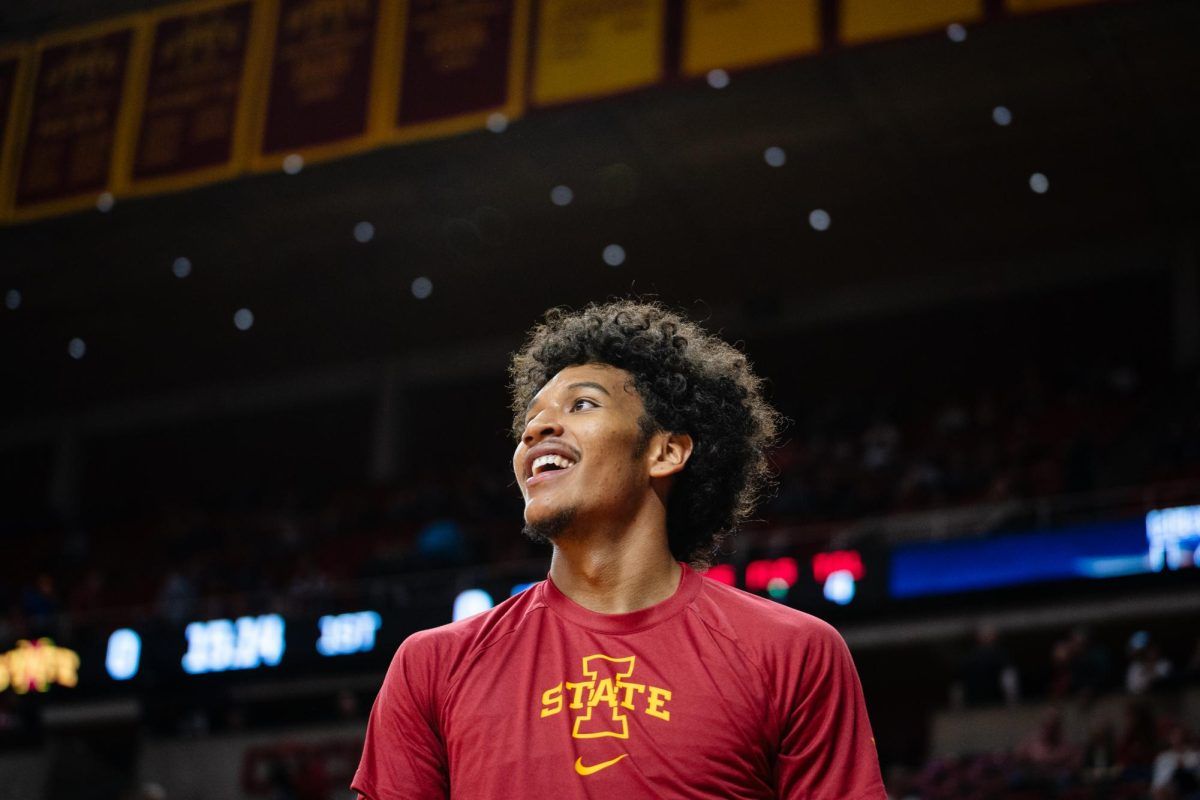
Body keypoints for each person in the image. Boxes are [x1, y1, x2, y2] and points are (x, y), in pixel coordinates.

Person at [352, 301, 886, 799]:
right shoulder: (432, 665)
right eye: (530, 420)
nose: (537, 428)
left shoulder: (791, 652)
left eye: (581, 404)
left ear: (665, 451)